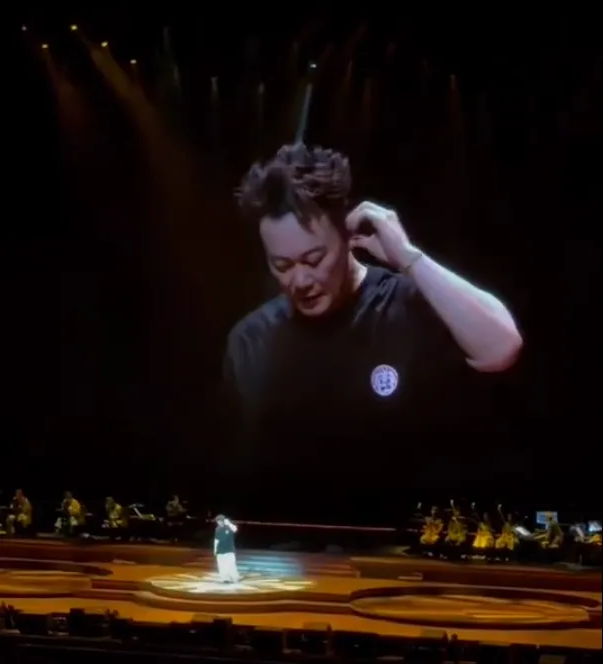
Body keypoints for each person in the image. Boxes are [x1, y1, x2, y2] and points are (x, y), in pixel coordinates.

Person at [224, 143, 523, 482]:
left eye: (314, 259)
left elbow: (502, 347)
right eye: (282, 265)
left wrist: (407, 258)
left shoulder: (405, 304)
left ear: (348, 236)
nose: (300, 280)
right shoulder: (252, 342)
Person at [214, 514, 240, 583]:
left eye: (220, 521)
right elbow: (216, 540)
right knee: (221, 565)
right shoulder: (217, 529)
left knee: (231, 564)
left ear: (223, 521)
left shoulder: (229, 527)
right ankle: (225, 578)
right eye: (218, 521)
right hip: (220, 550)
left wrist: (229, 523)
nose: (219, 522)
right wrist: (215, 549)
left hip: (229, 550)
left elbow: (235, 529)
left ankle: (235, 577)